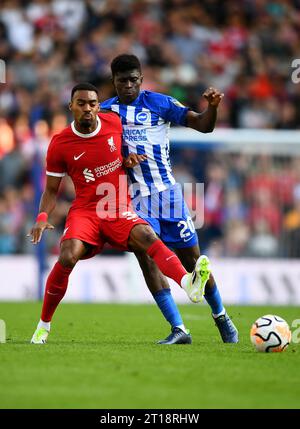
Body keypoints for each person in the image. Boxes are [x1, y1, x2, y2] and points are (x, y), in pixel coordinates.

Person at [29, 83, 208, 345]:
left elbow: (129, 146)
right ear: (71, 107)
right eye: (81, 103)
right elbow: (51, 190)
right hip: (86, 211)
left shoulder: (113, 123)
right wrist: (42, 219)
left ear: (98, 106)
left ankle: (188, 283)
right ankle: (43, 325)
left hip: (118, 207)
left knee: (146, 235)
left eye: (92, 103)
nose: (87, 108)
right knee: (67, 257)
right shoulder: (60, 143)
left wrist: (129, 160)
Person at [101, 54, 238, 344]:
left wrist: (211, 108)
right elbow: (100, 155)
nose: (128, 85)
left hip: (168, 195)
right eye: (121, 80)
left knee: (193, 261)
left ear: (141, 78)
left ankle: (221, 316)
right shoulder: (105, 113)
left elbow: (203, 126)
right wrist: (123, 160)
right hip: (133, 198)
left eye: (133, 80)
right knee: (147, 256)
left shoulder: (160, 103)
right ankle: (179, 328)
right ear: (113, 81)